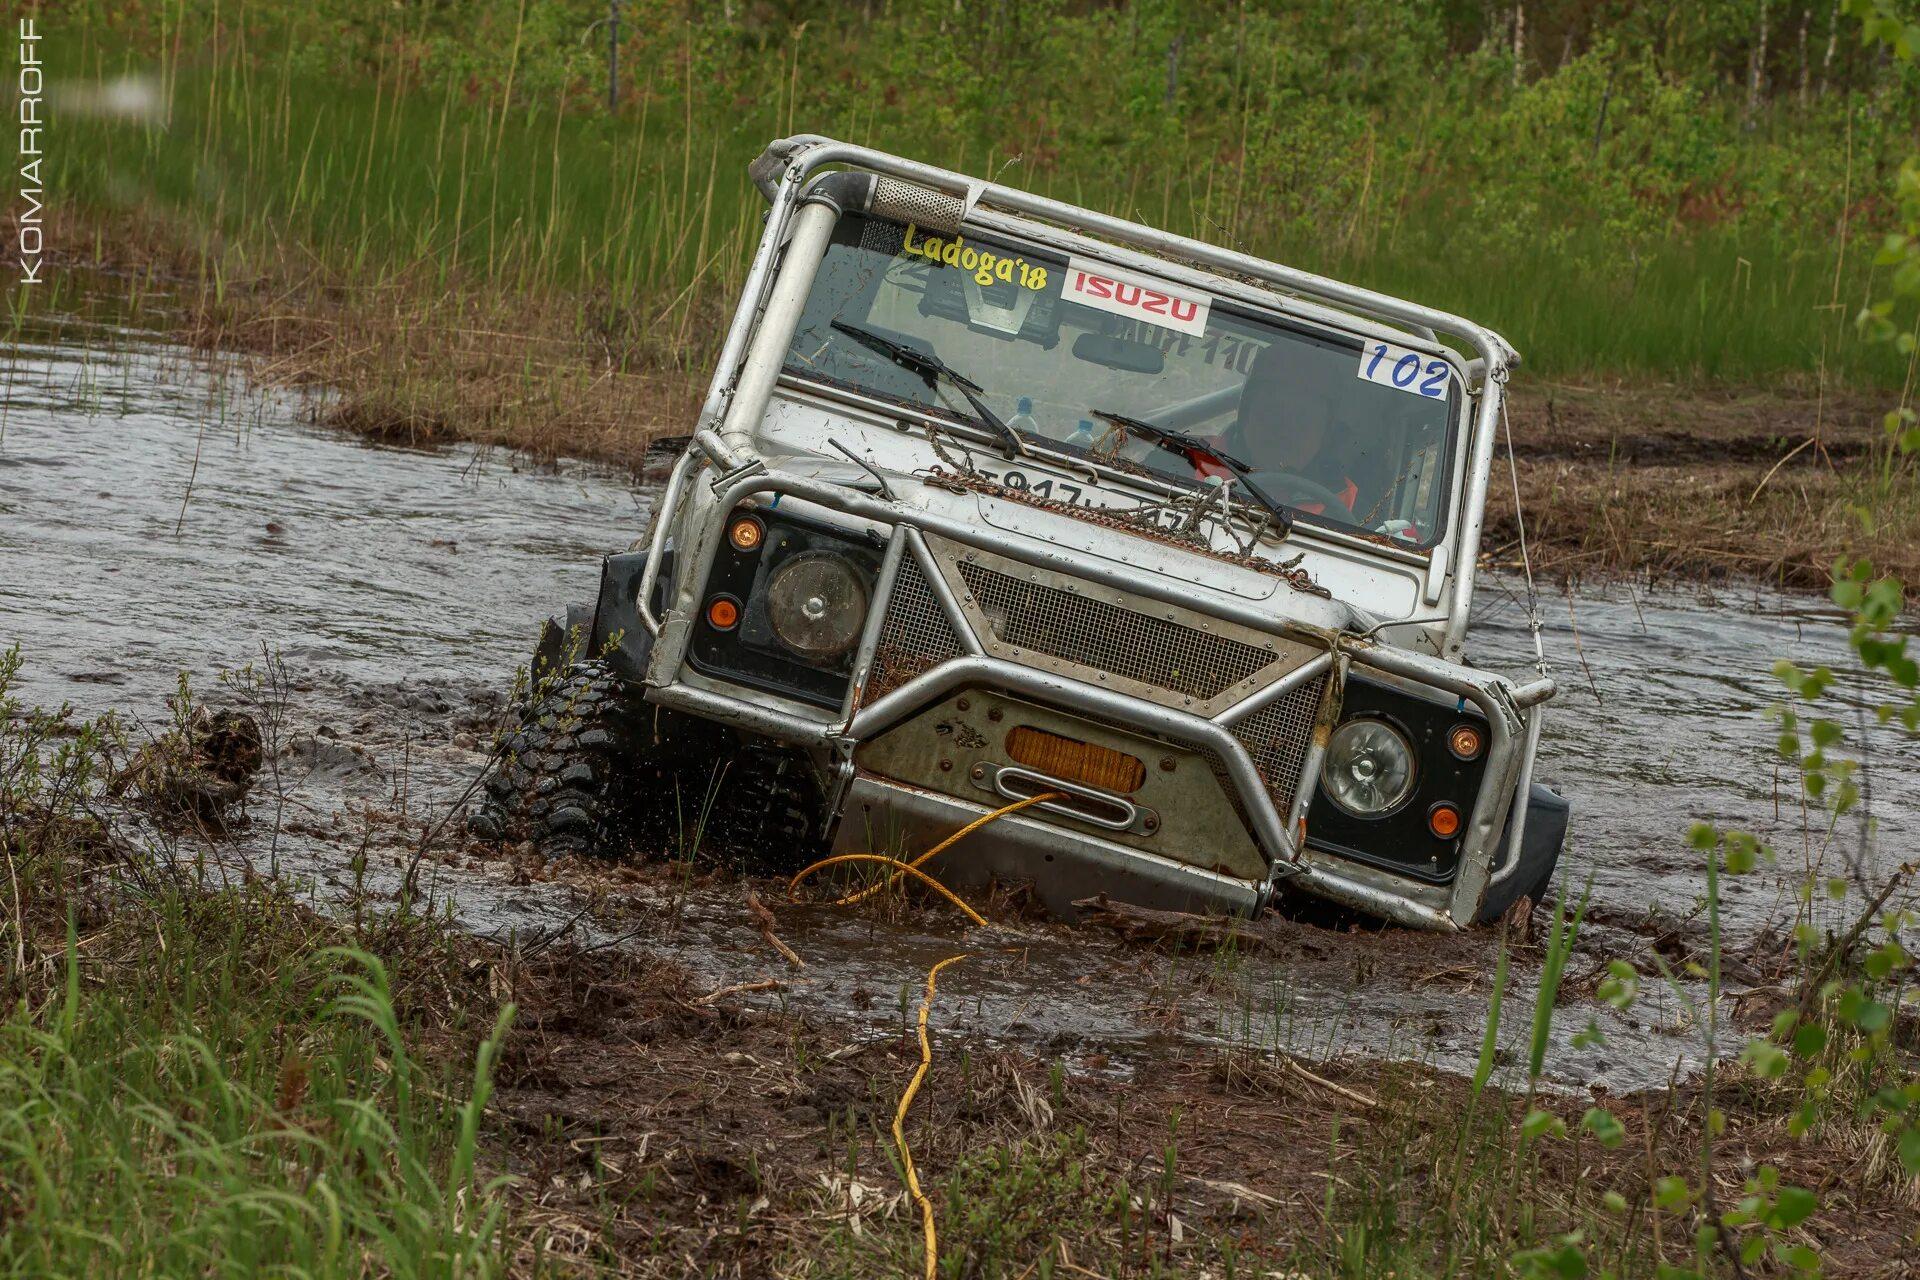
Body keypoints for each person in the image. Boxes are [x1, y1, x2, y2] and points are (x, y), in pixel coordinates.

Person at [1207, 345, 1360, 517]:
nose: (1285, 431)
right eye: (1272, 412)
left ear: (1325, 433)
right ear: (1245, 413)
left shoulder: (1349, 501)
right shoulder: (1191, 459)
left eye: (1302, 419)